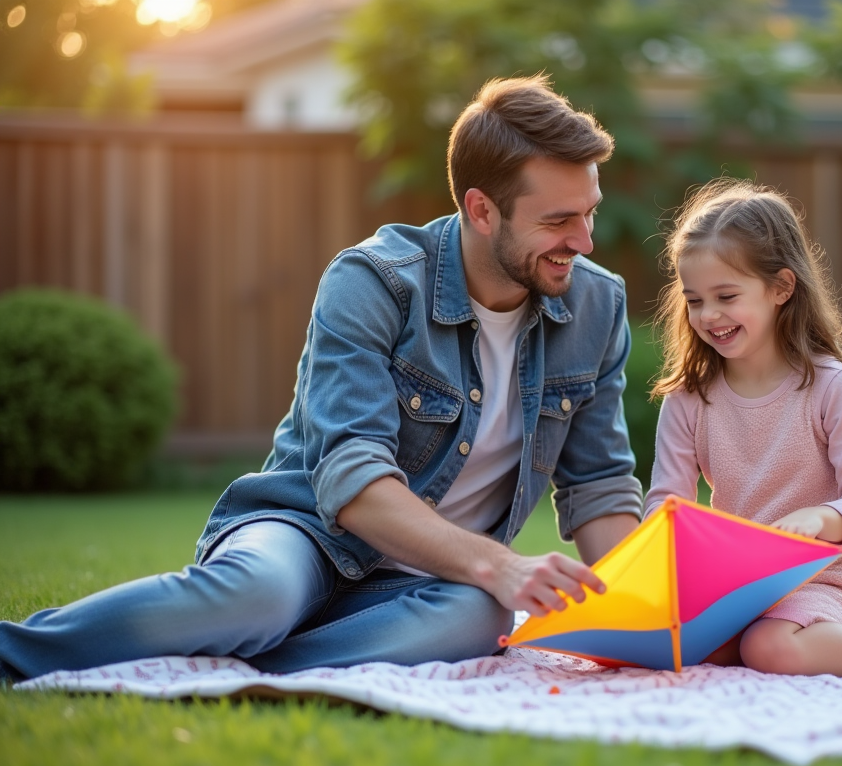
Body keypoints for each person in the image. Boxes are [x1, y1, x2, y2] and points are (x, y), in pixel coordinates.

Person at [0, 76, 642, 682]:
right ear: (481, 210)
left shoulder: (596, 308)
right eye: (559, 221)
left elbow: (599, 486)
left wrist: (647, 607)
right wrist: (500, 564)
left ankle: (244, 665)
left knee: (480, 615)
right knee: (259, 594)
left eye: (590, 212)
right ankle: (16, 653)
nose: (584, 241)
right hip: (306, 532)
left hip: (432, 581)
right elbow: (351, 477)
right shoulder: (376, 281)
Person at [643, 178, 842, 677]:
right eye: (695, 299)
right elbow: (666, 505)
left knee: (767, 647)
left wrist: (821, 520)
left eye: (726, 295)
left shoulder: (830, 386)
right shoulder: (688, 398)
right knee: (672, 644)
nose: (709, 315)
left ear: (781, 288)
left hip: (828, 589)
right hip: (736, 594)